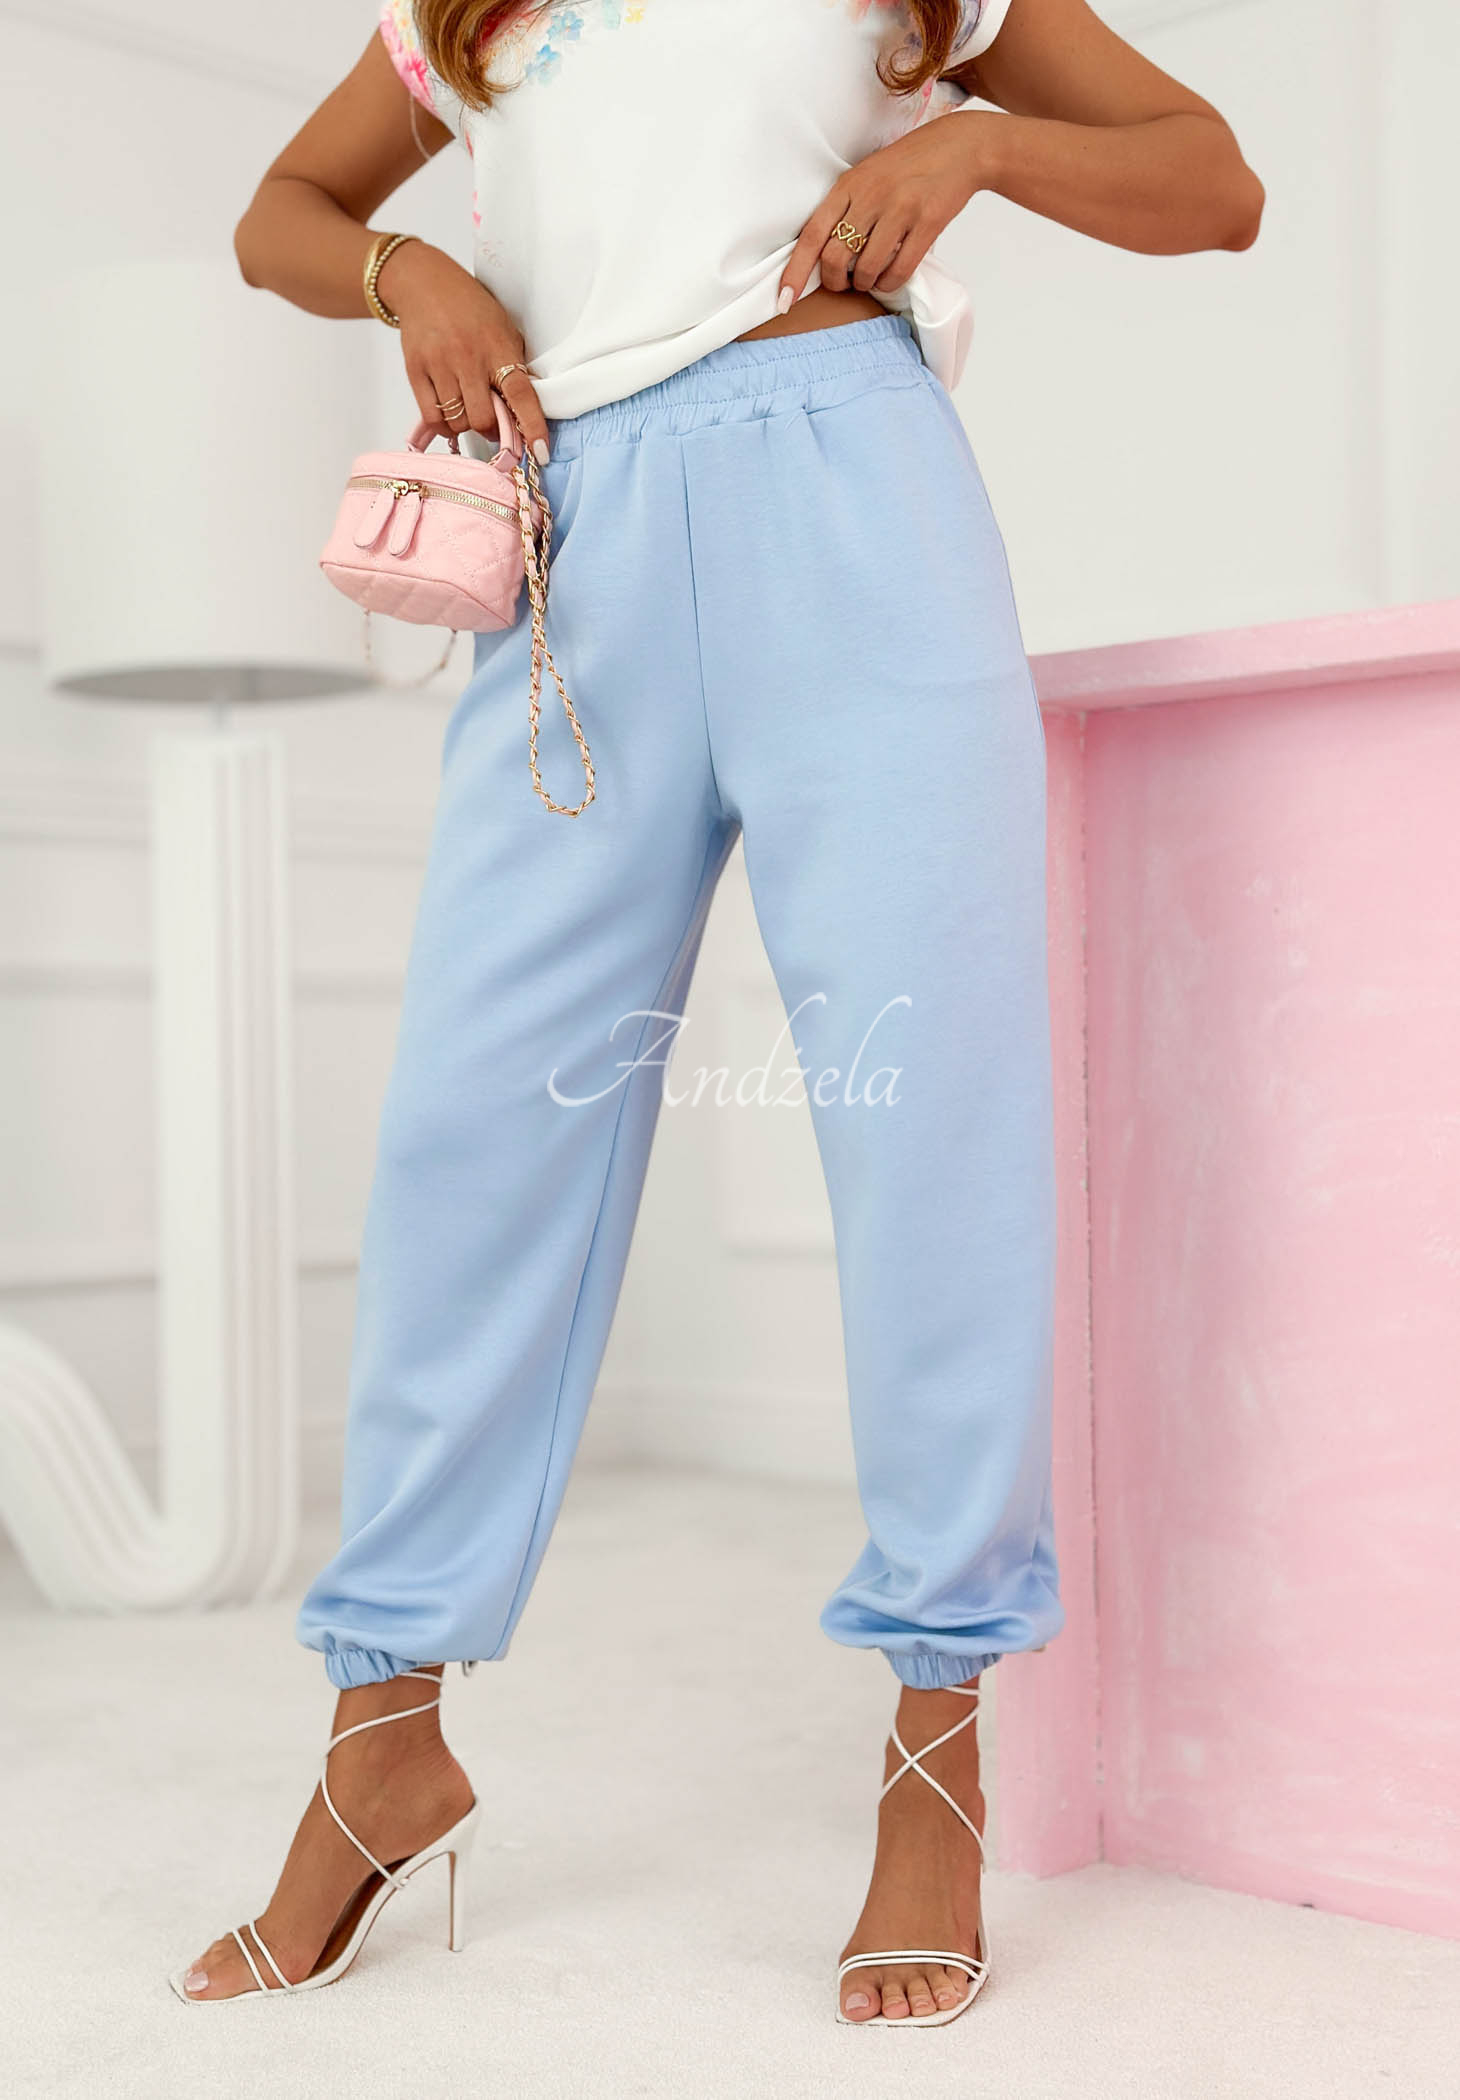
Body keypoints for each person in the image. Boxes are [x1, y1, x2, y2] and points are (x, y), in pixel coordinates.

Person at [171, 0, 1261, 2025]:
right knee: (474, 1135)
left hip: (854, 503)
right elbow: (281, 210)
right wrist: (406, 269)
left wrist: (977, 147)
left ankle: (935, 1738)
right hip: (573, 544)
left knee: (928, 1123)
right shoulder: (468, 15)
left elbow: (1214, 182)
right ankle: (381, 1738)